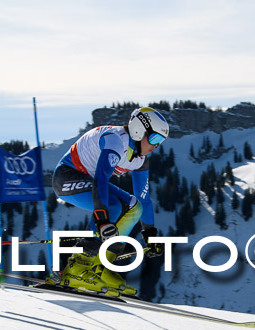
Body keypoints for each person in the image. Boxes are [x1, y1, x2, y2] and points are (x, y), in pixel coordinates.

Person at [48, 106, 169, 295]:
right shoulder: (115, 140)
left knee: (133, 207)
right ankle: (77, 267)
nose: (156, 146)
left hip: (89, 180)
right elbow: (101, 180)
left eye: (160, 141)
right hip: (66, 178)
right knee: (112, 206)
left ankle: (99, 267)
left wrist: (150, 232)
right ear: (139, 130)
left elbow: (143, 198)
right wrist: (103, 221)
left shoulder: (140, 159)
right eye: (154, 138)